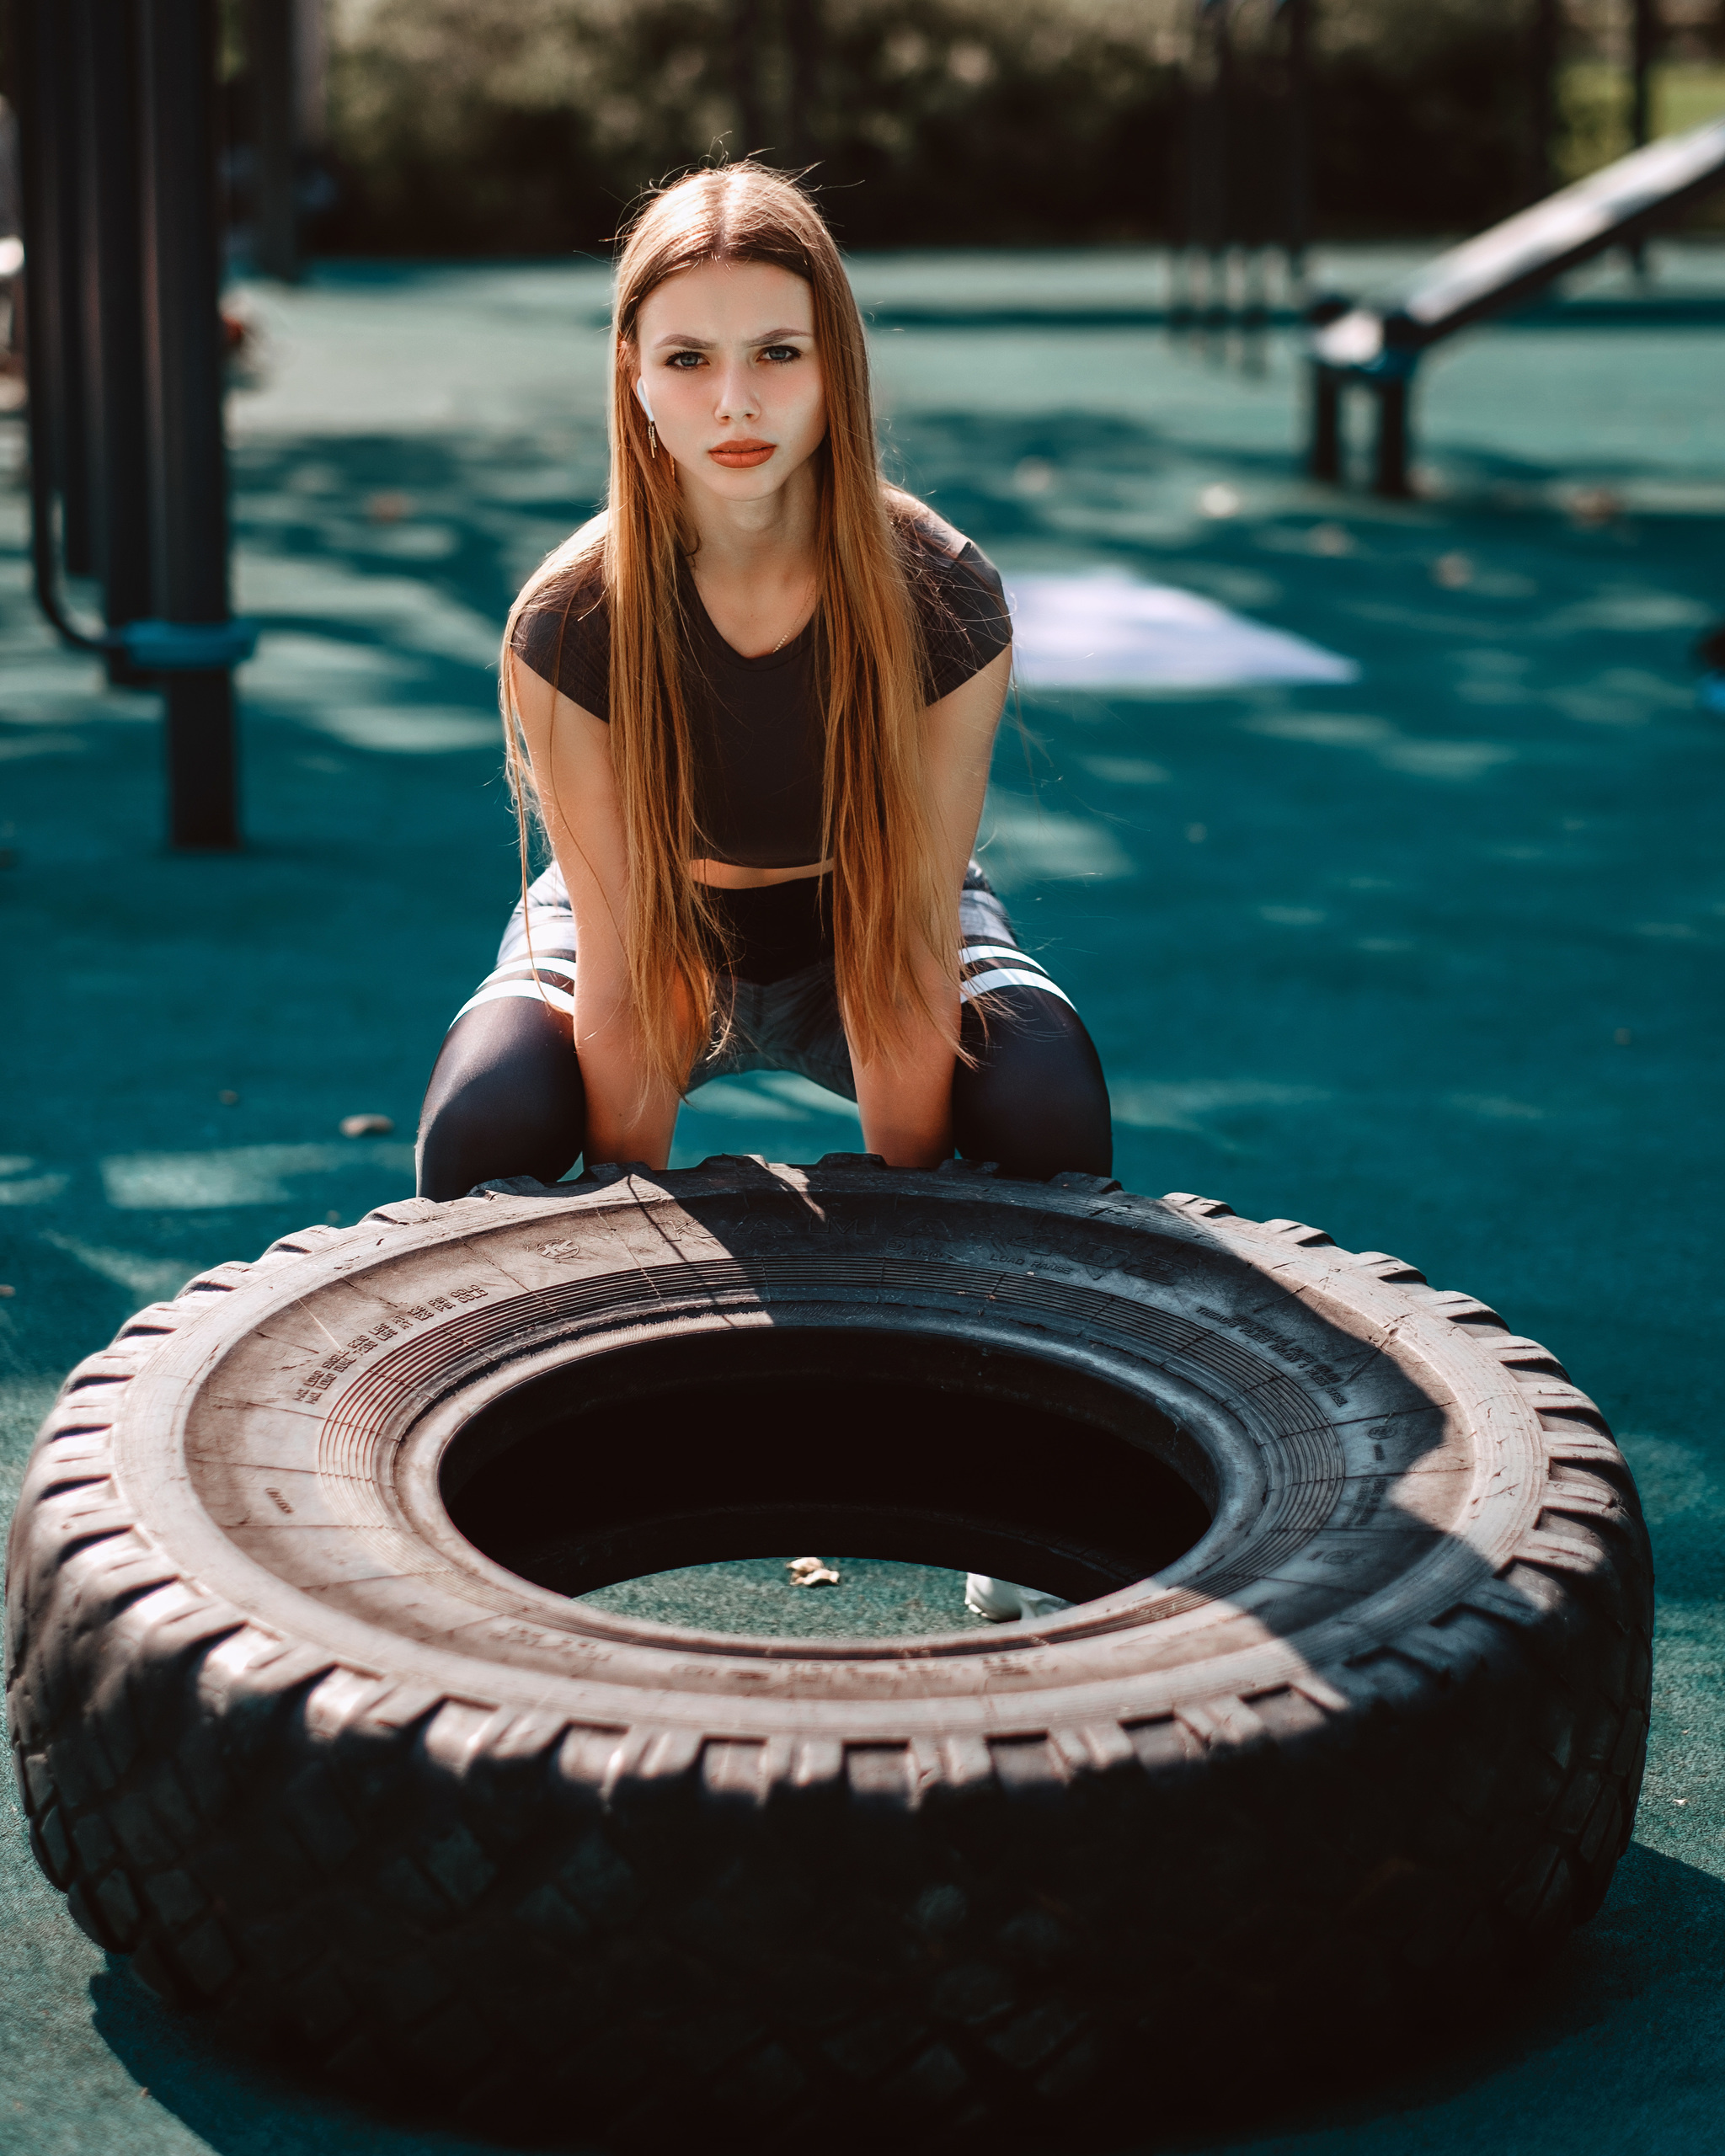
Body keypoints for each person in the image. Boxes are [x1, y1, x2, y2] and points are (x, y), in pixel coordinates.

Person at [415, 160, 1111, 1233]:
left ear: (835, 365)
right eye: (687, 358)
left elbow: (910, 945)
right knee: (485, 1123)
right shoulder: (565, 623)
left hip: (867, 909)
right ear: (632, 375)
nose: (734, 401)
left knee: (1045, 1107)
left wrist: (905, 1251)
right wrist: (621, 1263)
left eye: (777, 355)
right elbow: (621, 969)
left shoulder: (943, 595)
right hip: (650, 919)